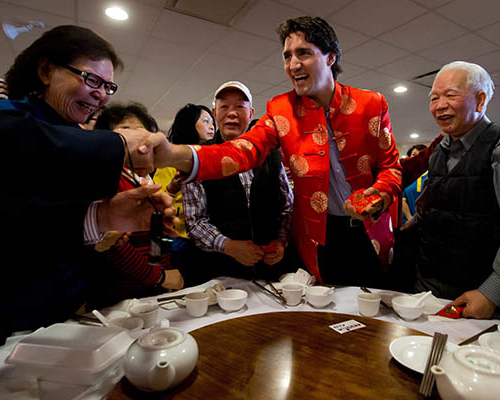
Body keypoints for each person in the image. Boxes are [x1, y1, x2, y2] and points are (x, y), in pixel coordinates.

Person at [151, 17, 402, 288]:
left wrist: (379, 196)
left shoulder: (371, 104)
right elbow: (242, 152)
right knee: (328, 308)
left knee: (376, 305)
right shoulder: (282, 111)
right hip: (319, 238)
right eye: (287, 56)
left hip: (371, 232)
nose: (293, 65)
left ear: (330, 57)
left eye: (303, 53)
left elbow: (391, 167)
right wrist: (171, 154)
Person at [0, 25, 175, 343]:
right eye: (91, 79)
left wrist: (105, 217)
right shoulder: (14, 119)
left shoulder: (73, 138)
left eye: (108, 86)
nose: (101, 95)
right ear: (46, 70)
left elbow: (34, 223)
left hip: (67, 308)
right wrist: (120, 144)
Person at [180, 81, 295, 285]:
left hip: (270, 271)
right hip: (221, 274)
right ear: (215, 114)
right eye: (224, 106)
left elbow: (287, 206)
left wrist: (281, 240)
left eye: (240, 106)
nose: (232, 113)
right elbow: (195, 222)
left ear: (251, 114)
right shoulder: (199, 158)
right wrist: (229, 246)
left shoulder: (271, 156)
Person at [415, 61, 499, 319]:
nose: (440, 105)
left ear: (480, 100)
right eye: (434, 98)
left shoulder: (496, 148)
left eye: (450, 95)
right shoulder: (438, 152)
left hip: (478, 296)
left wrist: (492, 293)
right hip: (430, 287)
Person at [83, 102, 184, 309]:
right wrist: (160, 276)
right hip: (119, 291)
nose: (136, 137)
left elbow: (158, 233)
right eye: (125, 130)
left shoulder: (143, 179)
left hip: (148, 287)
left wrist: (165, 269)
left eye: (141, 130)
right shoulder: (107, 178)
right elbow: (115, 245)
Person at [154, 103, 216, 251]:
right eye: (206, 121)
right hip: (179, 237)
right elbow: (155, 203)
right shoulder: (171, 160)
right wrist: (171, 189)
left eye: (213, 123)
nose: (212, 127)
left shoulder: (211, 159)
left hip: (207, 236)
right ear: (189, 123)